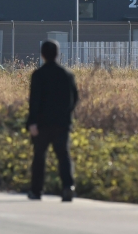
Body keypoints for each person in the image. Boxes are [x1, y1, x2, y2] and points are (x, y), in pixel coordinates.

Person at [26, 39, 79, 202]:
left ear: (42, 55)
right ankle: (68, 187)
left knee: (39, 156)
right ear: (57, 54)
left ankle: (36, 190)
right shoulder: (67, 74)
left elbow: (34, 101)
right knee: (63, 156)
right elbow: (75, 98)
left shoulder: (38, 75)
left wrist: (32, 122)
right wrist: (67, 115)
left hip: (42, 124)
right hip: (62, 123)